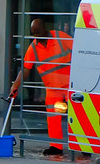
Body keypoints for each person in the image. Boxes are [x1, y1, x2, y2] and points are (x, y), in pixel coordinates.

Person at [9, 18, 73, 156]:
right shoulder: (33, 48)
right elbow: (25, 69)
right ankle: (56, 146)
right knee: (53, 117)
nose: (37, 37)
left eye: (38, 33)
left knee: (76, 115)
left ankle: (83, 146)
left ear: (45, 28)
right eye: (34, 34)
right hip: (53, 90)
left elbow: (79, 50)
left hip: (70, 86)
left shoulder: (60, 37)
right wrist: (15, 85)